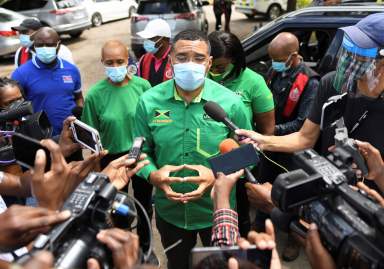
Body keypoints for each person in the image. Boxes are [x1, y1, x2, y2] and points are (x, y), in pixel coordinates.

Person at [236, 12, 384, 214]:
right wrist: (262, 140)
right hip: (327, 197)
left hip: (372, 212)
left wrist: (380, 174)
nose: (350, 59)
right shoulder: (331, 84)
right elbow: (305, 137)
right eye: (349, 49)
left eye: (360, 53)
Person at [134, 29, 252, 269]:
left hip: (218, 212)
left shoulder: (230, 103)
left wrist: (216, 172)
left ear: (209, 63)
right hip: (170, 214)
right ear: (170, 60)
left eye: (198, 58)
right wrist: (152, 175)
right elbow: (138, 152)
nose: (190, 64)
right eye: (182, 57)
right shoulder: (148, 101)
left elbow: (249, 154)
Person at [81, 40, 152, 253]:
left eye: (119, 61)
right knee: (117, 207)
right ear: (102, 62)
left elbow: (152, 122)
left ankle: (145, 247)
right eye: (109, 62)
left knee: (144, 205)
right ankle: (123, 248)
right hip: (111, 159)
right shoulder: (95, 94)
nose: (115, 67)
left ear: (128, 60)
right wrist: (96, 168)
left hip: (140, 155)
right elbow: (90, 136)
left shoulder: (143, 87)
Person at [208, 31, 275, 238]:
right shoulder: (199, 78)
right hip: (200, 165)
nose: (214, 71)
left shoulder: (253, 82)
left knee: (237, 219)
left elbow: (267, 132)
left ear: (235, 61)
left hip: (236, 169)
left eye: (220, 67)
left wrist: (221, 169)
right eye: (211, 65)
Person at [266, 32, 320, 261]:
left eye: (278, 59)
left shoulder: (310, 82)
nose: (274, 64)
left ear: (293, 56)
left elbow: (302, 125)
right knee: (266, 186)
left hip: (292, 148)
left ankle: (291, 237)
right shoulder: (274, 72)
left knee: (293, 196)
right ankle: (264, 223)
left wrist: (271, 131)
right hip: (269, 143)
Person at [11, 27, 83, 136]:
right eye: (39, 45)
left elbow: (79, 98)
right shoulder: (21, 74)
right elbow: (12, 108)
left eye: (49, 45)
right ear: (34, 46)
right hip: (40, 140)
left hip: (71, 136)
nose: (44, 48)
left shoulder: (72, 70)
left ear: (58, 45)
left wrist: (80, 122)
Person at [137, 19, 173, 87]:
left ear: (164, 39)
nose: (147, 41)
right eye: (147, 38)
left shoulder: (177, 59)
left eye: (151, 38)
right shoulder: (144, 59)